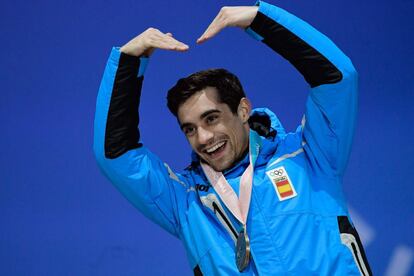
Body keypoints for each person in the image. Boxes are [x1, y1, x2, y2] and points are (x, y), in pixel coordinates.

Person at [93, 1, 372, 275]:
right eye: (189, 128)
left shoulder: (309, 155)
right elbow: (115, 154)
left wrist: (260, 19)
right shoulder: (185, 200)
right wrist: (128, 62)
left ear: (243, 110)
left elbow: (338, 78)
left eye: (211, 119)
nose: (203, 137)